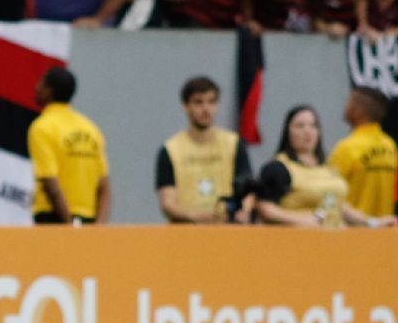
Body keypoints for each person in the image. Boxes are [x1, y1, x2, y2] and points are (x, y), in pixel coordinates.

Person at [257, 105, 394, 227]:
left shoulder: (329, 167)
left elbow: (339, 206)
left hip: (335, 243)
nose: (308, 131)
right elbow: (265, 209)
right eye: (300, 126)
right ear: (288, 131)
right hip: (297, 242)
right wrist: (302, 220)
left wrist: (373, 222)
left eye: (313, 125)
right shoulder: (278, 168)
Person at [155, 76, 255, 224]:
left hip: (227, 230)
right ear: (185, 105)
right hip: (186, 232)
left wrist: (244, 211)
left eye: (211, 102)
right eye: (198, 102)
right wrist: (196, 216)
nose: (206, 109)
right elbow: (167, 203)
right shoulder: (170, 149)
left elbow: (248, 190)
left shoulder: (233, 143)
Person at [28, 66, 111, 224]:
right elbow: (104, 188)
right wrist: (99, 229)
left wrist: (70, 228)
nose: (36, 87)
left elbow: (51, 184)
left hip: (54, 217)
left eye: (41, 83)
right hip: (88, 218)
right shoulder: (91, 129)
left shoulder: (42, 127)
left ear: (49, 91)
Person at [329, 87, 397, 218]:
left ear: (359, 111)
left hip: (355, 232)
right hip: (386, 232)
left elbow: (329, 194)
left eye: (349, 102)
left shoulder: (346, 148)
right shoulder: (390, 146)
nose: (345, 106)